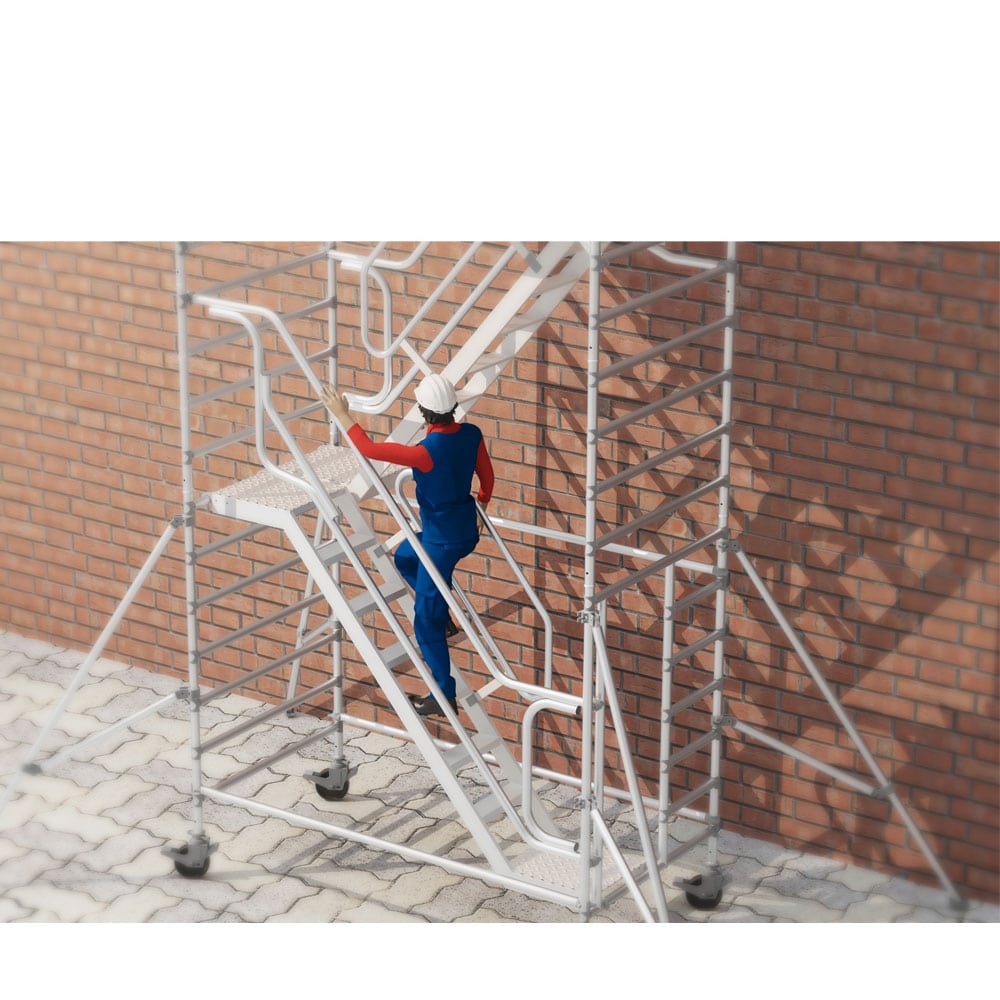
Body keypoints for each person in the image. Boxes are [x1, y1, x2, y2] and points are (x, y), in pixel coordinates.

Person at [321, 373, 494, 717]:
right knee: (404, 556)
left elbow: (370, 450)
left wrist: (342, 414)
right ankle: (443, 614)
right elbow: (487, 476)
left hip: (441, 543)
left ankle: (443, 696)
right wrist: (483, 505)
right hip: (462, 530)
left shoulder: (426, 453)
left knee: (424, 625)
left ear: (423, 411)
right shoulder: (472, 433)